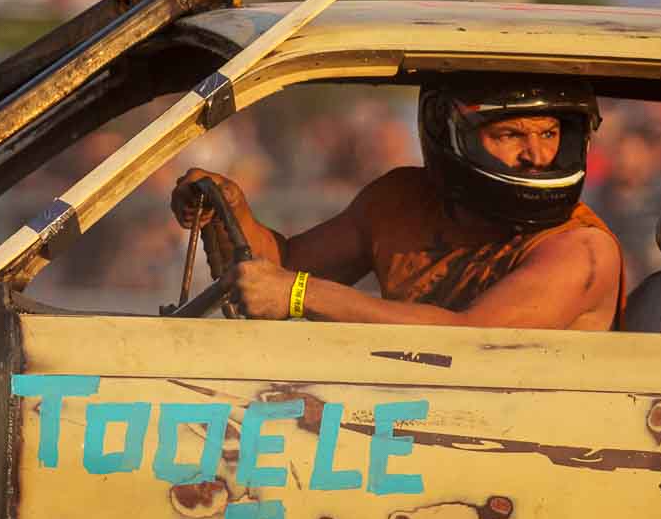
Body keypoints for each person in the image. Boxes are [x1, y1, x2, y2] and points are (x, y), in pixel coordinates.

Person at [170, 77, 624, 330]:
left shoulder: (580, 250)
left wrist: (301, 294)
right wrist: (229, 208)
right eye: (510, 134)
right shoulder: (403, 199)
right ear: (450, 135)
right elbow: (283, 266)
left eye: (549, 133)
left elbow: (472, 342)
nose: (538, 156)